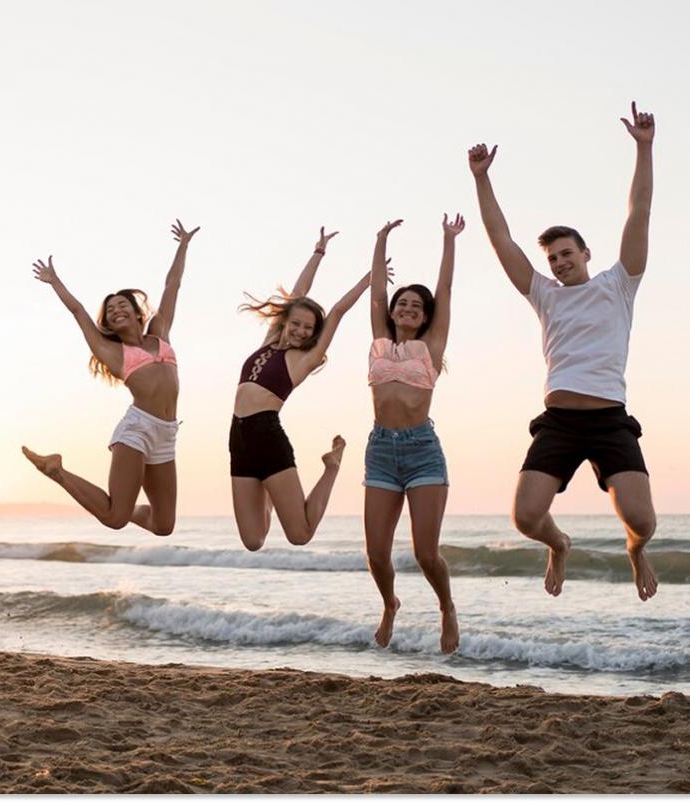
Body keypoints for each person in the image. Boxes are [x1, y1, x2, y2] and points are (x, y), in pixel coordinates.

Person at [468, 101, 659, 601]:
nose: (558, 263)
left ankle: (635, 549)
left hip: (609, 419)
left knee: (643, 521)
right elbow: (500, 238)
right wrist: (482, 179)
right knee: (526, 516)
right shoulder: (544, 294)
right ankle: (559, 543)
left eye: (566, 254)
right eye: (552, 258)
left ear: (586, 253)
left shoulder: (619, 284)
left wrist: (644, 149)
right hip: (560, 421)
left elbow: (639, 211)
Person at [22, 220, 199, 535]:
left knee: (163, 526)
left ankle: (125, 507)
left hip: (167, 433)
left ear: (137, 313)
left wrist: (183, 245)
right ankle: (56, 470)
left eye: (122, 305)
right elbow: (78, 311)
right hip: (137, 430)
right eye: (110, 309)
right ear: (108, 322)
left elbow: (173, 285)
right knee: (115, 518)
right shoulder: (113, 352)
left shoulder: (160, 332)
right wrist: (55, 281)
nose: (116, 310)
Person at [231, 227, 374, 551]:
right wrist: (318, 253)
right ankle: (271, 490)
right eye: (296, 323)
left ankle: (332, 467)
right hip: (237, 438)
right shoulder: (269, 341)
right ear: (285, 321)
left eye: (308, 328)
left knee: (300, 535)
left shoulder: (305, 359)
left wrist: (369, 279)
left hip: (268, 437)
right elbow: (299, 292)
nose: (300, 330)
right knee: (253, 540)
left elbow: (337, 311)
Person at [363, 215, 464, 654]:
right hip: (381, 451)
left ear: (425, 317)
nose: (407, 308)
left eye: (415, 306)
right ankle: (390, 603)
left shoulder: (431, 346)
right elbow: (376, 292)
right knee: (376, 554)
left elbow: (446, 290)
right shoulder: (379, 342)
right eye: (401, 303)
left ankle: (446, 606)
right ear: (393, 311)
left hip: (422, 451)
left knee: (425, 553)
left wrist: (448, 239)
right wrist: (380, 240)